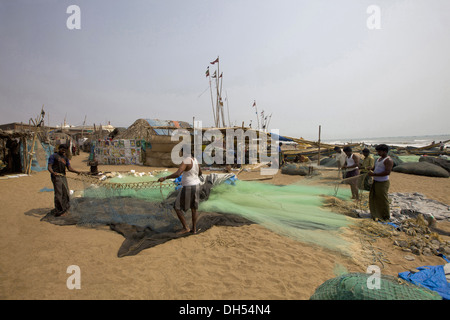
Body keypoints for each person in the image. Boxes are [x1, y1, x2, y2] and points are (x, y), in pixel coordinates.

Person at [158, 146, 203, 234]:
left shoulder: (186, 161)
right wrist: (192, 175)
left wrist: (165, 177)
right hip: (197, 185)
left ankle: (186, 228)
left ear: (184, 152)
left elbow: (178, 173)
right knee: (194, 208)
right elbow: (200, 172)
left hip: (189, 187)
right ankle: (194, 229)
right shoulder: (195, 160)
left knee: (177, 207)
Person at [48, 144, 82, 216]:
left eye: (65, 149)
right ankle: (59, 210)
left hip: (63, 176)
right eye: (62, 149)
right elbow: (49, 167)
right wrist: (53, 172)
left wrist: (78, 172)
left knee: (65, 192)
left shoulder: (65, 158)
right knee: (58, 193)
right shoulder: (53, 156)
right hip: (56, 177)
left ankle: (65, 208)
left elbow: (69, 168)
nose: (63, 150)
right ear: (59, 148)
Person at [368, 144, 393, 221]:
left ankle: (385, 216)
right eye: (377, 151)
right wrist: (371, 169)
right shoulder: (378, 159)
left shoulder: (388, 160)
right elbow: (375, 168)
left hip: (382, 182)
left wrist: (374, 174)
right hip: (376, 181)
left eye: (379, 151)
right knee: (374, 197)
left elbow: (387, 172)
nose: (378, 153)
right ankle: (375, 213)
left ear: (385, 151)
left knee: (383, 199)